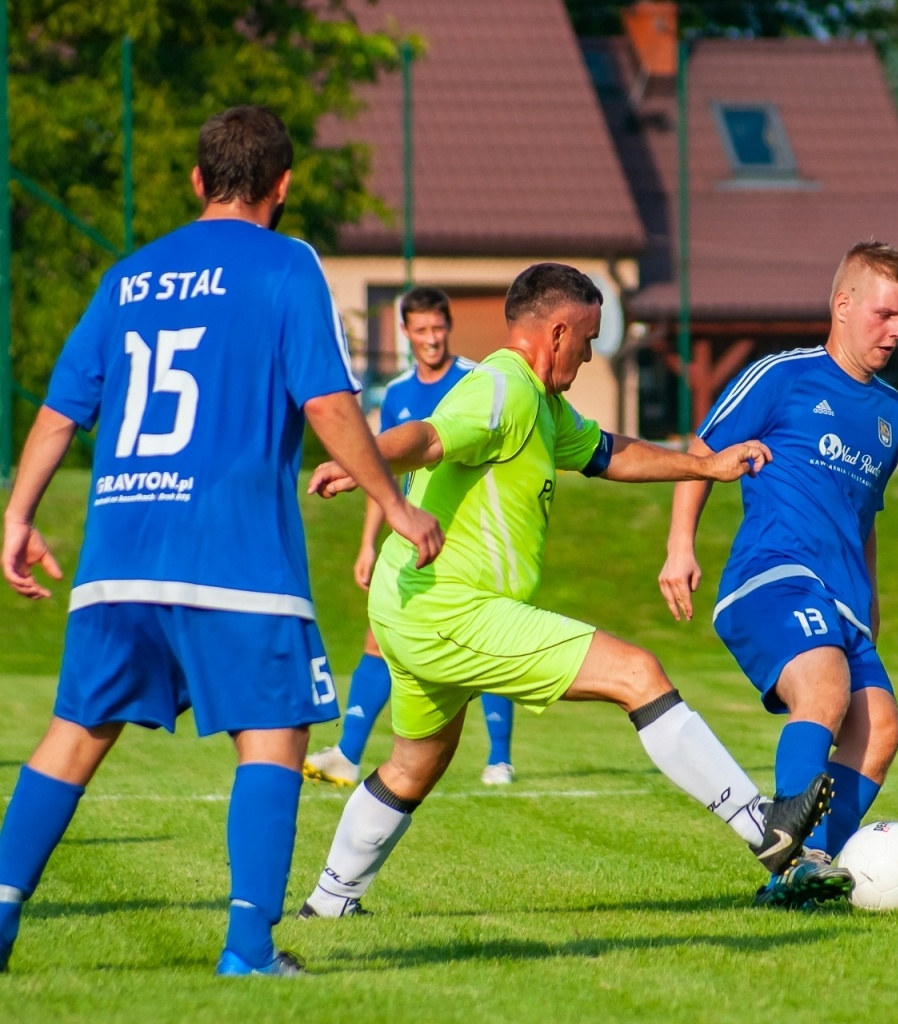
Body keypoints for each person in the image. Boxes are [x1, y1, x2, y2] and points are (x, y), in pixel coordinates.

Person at [0, 106, 441, 976]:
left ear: (198, 181)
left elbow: (58, 414)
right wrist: (391, 504)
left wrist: (16, 518)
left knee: (74, 734)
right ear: (283, 186)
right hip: (235, 555)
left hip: (120, 554)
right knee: (273, 736)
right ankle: (247, 948)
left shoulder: (128, 276)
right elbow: (324, 402)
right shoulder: (287, 265)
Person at [298, 263, 831, 920]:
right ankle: (765, 830)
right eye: (588, 339)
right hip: (451, 609)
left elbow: (609, 452)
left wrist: (705, 465)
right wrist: (364, 461)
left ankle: (327, 905)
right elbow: (430, 438)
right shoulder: (503, 388)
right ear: (556, 332)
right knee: (637, 672)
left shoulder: (542, 404)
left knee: (416, 762)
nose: (588, 354)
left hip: (408, 604)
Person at [659, 241, 898, 907]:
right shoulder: (782, 376)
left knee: (880, 728)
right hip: (772, 575)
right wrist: (680, 545)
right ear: (843, 305)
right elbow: (704, 452)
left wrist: (874, 602)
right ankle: (796, 855)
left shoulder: (895, 412)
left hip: (845, 600)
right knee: (825, 690)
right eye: (886, 315)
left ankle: (805, 874)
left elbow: (866, 518)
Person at [304, 286, 519, 788]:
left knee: (492, 637)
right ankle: (348, 754)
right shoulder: (397, 392)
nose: (431, 338)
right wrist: (366, 545)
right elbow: (382, 471)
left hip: (468, 533)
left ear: (449, 327)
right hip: (410, 536)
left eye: (438, 328)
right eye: (420, 330)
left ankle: (500, 759)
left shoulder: (475, 380)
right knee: (377, 637)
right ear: (405, 332)